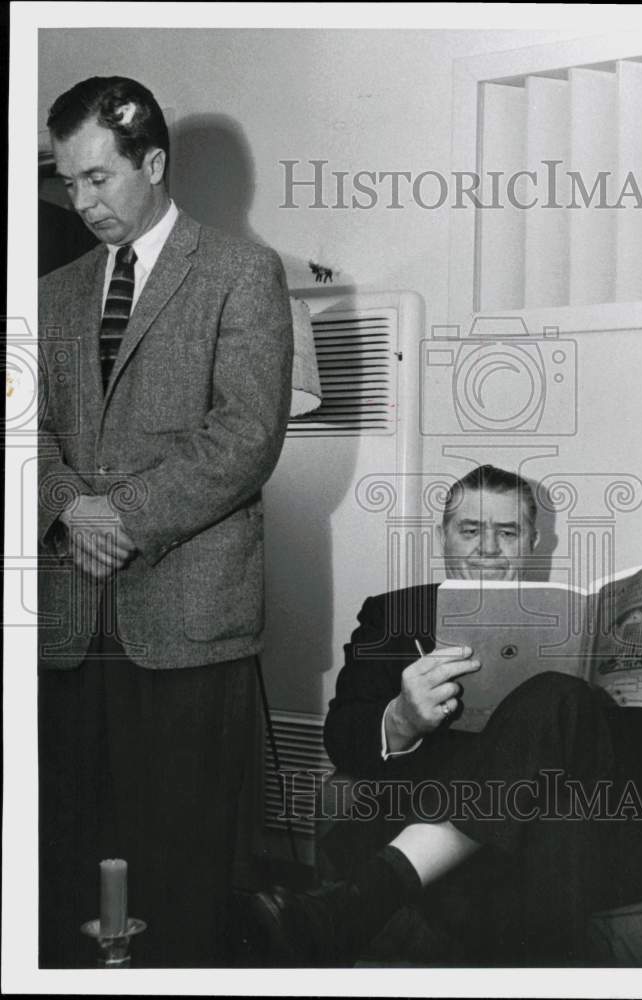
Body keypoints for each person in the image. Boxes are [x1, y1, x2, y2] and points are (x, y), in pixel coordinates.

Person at [241, 465, 642, 967]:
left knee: (559, 702)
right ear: (444, 537)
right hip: (472, 828)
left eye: (507, 532)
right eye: (470, 530)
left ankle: (367, 898)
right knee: (552, 815)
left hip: (590, 833)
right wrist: (401, 718)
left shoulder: (594, 627)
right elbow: (342, 736)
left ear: (532, 540)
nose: (487, 548)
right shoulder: (393, 616)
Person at [37, 76, 293, 968]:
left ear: (152, 162)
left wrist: (122, 515)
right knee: (63, 856)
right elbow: (20, 428)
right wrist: (71, 505)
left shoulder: (241, 273)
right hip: (67, 624)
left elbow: (246, 436)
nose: (83, 200)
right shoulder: (49, 290)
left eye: (99, 178)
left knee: (182, 867)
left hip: (188, 621)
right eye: (69, 181)